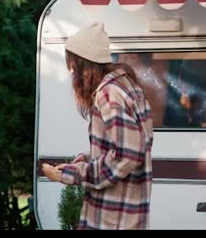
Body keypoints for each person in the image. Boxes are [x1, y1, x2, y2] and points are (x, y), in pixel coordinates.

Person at [42, 22, 153, 230]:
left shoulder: (108, 93)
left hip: (113, 218)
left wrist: (71, 173)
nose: (72, 72)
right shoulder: (127, 86)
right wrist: (90, 157)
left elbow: (127, 155)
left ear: (87, 66)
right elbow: (129, 146)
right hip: (126, 214)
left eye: (74, 65)